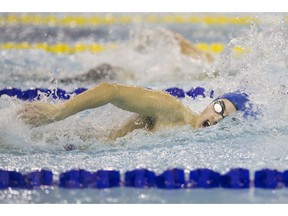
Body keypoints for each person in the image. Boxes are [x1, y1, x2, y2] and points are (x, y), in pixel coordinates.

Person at [18, 82, 252, 141]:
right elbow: (112, 91)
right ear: (211, 103)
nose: (214, 117)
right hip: (73, 144)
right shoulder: (171, 110)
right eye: (219, 107)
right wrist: (59, 112)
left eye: (225, 119)